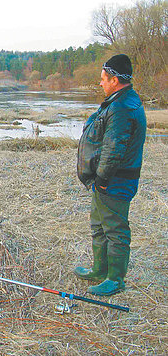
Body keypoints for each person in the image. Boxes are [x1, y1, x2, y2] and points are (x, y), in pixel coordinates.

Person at [75, 54, 147, 296]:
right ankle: (99, 269)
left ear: (115, 80)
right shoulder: (119, 100)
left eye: (103, 79)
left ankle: (115, 280)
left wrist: (103, 181)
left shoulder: (122, 107)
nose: (100, 83)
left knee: (115, 230)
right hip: (105, 181)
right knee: (98, 226)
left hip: (115, 181)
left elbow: (114, 148)